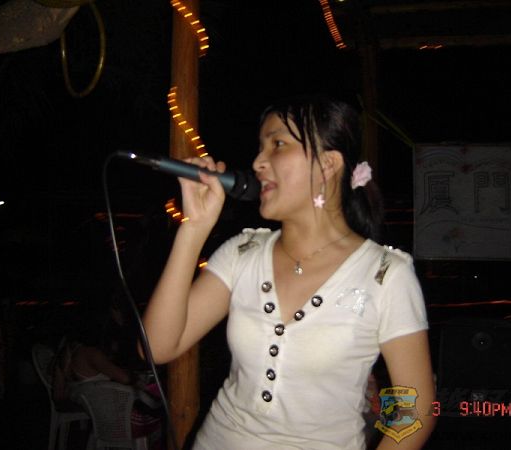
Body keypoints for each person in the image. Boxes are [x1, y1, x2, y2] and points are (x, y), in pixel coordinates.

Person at [142, 95, 436, 449]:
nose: (257, 162)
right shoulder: (242, 253)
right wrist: (194, 229)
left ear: (327, 164)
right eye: (260, 147)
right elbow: (156, 347)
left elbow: (416, 412)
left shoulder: (385, 275)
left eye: (278, 144)